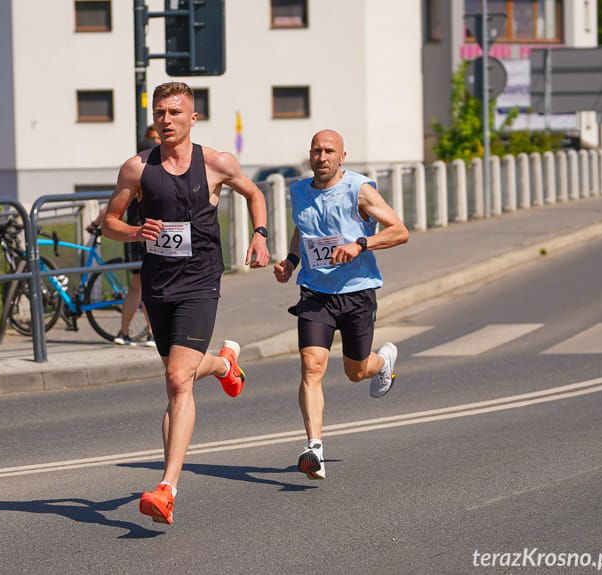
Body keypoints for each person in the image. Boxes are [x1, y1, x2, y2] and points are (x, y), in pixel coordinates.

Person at [102, 82, 270, 524]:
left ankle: (167, 488)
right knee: (178, 375)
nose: (166, 119)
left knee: (178, 380)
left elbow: (255, 194)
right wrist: (136, 232)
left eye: (175, 112)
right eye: (160, 112)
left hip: (199, 282)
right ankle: (223, 364)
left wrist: (260, 236)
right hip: (158, 285)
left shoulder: (216, 163)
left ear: (192, 117)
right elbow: (110, 223)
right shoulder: (137, 169)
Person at [273, 129, 408, 481]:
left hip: (356, 291)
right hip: (315, 292)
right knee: (311, 366)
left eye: (329, 151)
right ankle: (314, 447)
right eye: (316, 151)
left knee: (354, 371)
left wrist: (361, 244)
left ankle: (382, 362)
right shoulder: (299, 191)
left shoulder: (359, 190)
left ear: (342, 156)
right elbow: (303, 230)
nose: (322, 157)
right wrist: (290, 260)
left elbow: (399, 231)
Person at [88, 124, 161, 347]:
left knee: (137, 287)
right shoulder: (149, 173)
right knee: (146, 286)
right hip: (143, 236)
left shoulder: (133, 171)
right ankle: (149, 333)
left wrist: (96, 223)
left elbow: (113, 205)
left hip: (131, 237)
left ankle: (124, 332)